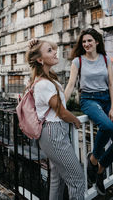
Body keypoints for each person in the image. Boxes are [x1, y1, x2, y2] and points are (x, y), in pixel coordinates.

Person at [65, 28, 113, 196]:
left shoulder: (106, 59)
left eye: (89, 41)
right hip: (89, 99)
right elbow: (71, 85)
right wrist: (61, 106)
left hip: (107, 99)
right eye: (84, 41)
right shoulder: (78, 61)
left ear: (97, 42)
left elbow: (112, 84)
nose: (86, 44)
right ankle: (93, 159)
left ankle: (99, 169)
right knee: (107, 126)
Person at [26, 39, 85, 200]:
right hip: (54, 132)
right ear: (40, 59)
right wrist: (75, 120)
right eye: (49, 51)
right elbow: (61, 111)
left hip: (52, 132)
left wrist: (40, 44)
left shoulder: (45, 78)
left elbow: (55, 45)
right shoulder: (44, 84)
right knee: (77, 179)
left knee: (57, 179)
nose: (55, 52)